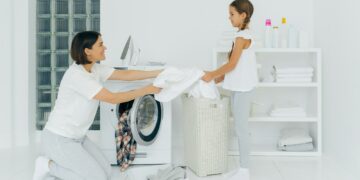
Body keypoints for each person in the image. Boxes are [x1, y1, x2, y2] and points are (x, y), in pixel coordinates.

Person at [32, 31, 162, 180]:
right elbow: (112, 98)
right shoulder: (78, 76)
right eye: (100, 44)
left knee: (106, 171)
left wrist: (158, 73)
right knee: (97, 177)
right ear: (87, 51)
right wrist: (147, 90)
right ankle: (48, 166)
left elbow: (126, 75)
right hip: (59, 138)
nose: (105, 47)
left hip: (78, 137)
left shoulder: (95, 69)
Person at [202, 0, 257, 179]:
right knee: (239, 127)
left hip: (243, 89)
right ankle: (242, 167)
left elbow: (232, 65)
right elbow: (235, 67)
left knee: (241, 128)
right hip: (238, 88)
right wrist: (216, 78)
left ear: (243, 15)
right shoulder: (240, 36)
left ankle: (245, 170)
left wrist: (212, 74)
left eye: (232, 14)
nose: (229, 18)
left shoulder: (242, 37)